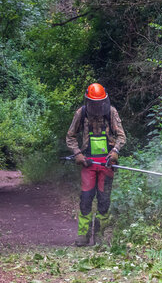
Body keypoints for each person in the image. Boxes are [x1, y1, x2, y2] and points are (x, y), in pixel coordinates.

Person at [66, 83, 126, 246]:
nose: (97, 106)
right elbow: (70, 136)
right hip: (88, 164)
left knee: (104, 201)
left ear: (104, 100)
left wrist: (115, 151)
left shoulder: (111, 112)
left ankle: (99, 236)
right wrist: (77, 154)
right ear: (88, 101)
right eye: (94, 103)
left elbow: (121, 136)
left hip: (107, 164)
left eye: (100, 103)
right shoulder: (82, 113)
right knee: (86, 200)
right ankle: (83, 236)